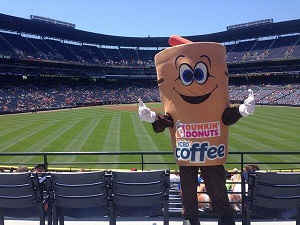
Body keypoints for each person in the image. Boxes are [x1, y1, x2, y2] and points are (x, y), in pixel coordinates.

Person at [138, 36, 256, 225]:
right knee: (189, 194)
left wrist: (242, 110)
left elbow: (225, 116)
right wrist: (152, 117)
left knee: (218, 191)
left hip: (209, 152)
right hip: (188, 152)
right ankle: (192, 220)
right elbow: (169, 121)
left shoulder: (215, 98)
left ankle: (224, 220)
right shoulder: (176, 100)